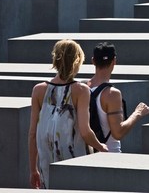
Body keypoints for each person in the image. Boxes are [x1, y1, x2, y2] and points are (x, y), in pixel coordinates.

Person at [28, 39, 108, 189]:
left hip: (47, 162)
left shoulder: (38, 90)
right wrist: (101, 147)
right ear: (77, 62)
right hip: (75, 161)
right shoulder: (81, 90)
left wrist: (33, 170)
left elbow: (32, 134)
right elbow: (85, 131)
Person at [86, 42, 149, 153]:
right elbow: (118, 133)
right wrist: (137, 113)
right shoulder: (112, 94)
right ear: (114, 61)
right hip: (110, 154)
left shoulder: (83, 88)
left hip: (87, 154)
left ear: (93, 61)